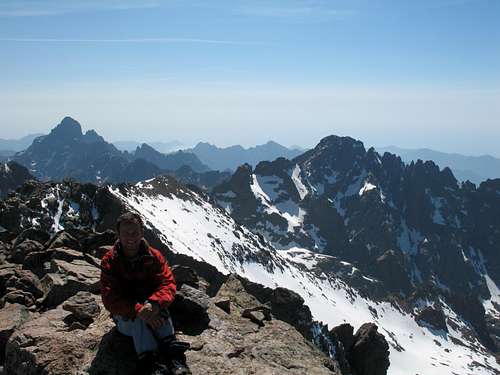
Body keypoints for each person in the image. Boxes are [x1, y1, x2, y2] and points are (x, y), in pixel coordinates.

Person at [100, 211, 191, 375]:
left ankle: (169, 358)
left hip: (152, 310)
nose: (131, 237)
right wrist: (139, 310)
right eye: (126, 233)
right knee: (139, 319)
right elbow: (109, 297)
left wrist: (154, 304)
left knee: (161, 311)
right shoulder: (110, 261)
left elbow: (167, 283)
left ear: (142, 232)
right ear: (118, 234)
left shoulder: (154, 256)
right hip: (126, 317)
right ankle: (155, 361)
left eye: (135, 232)